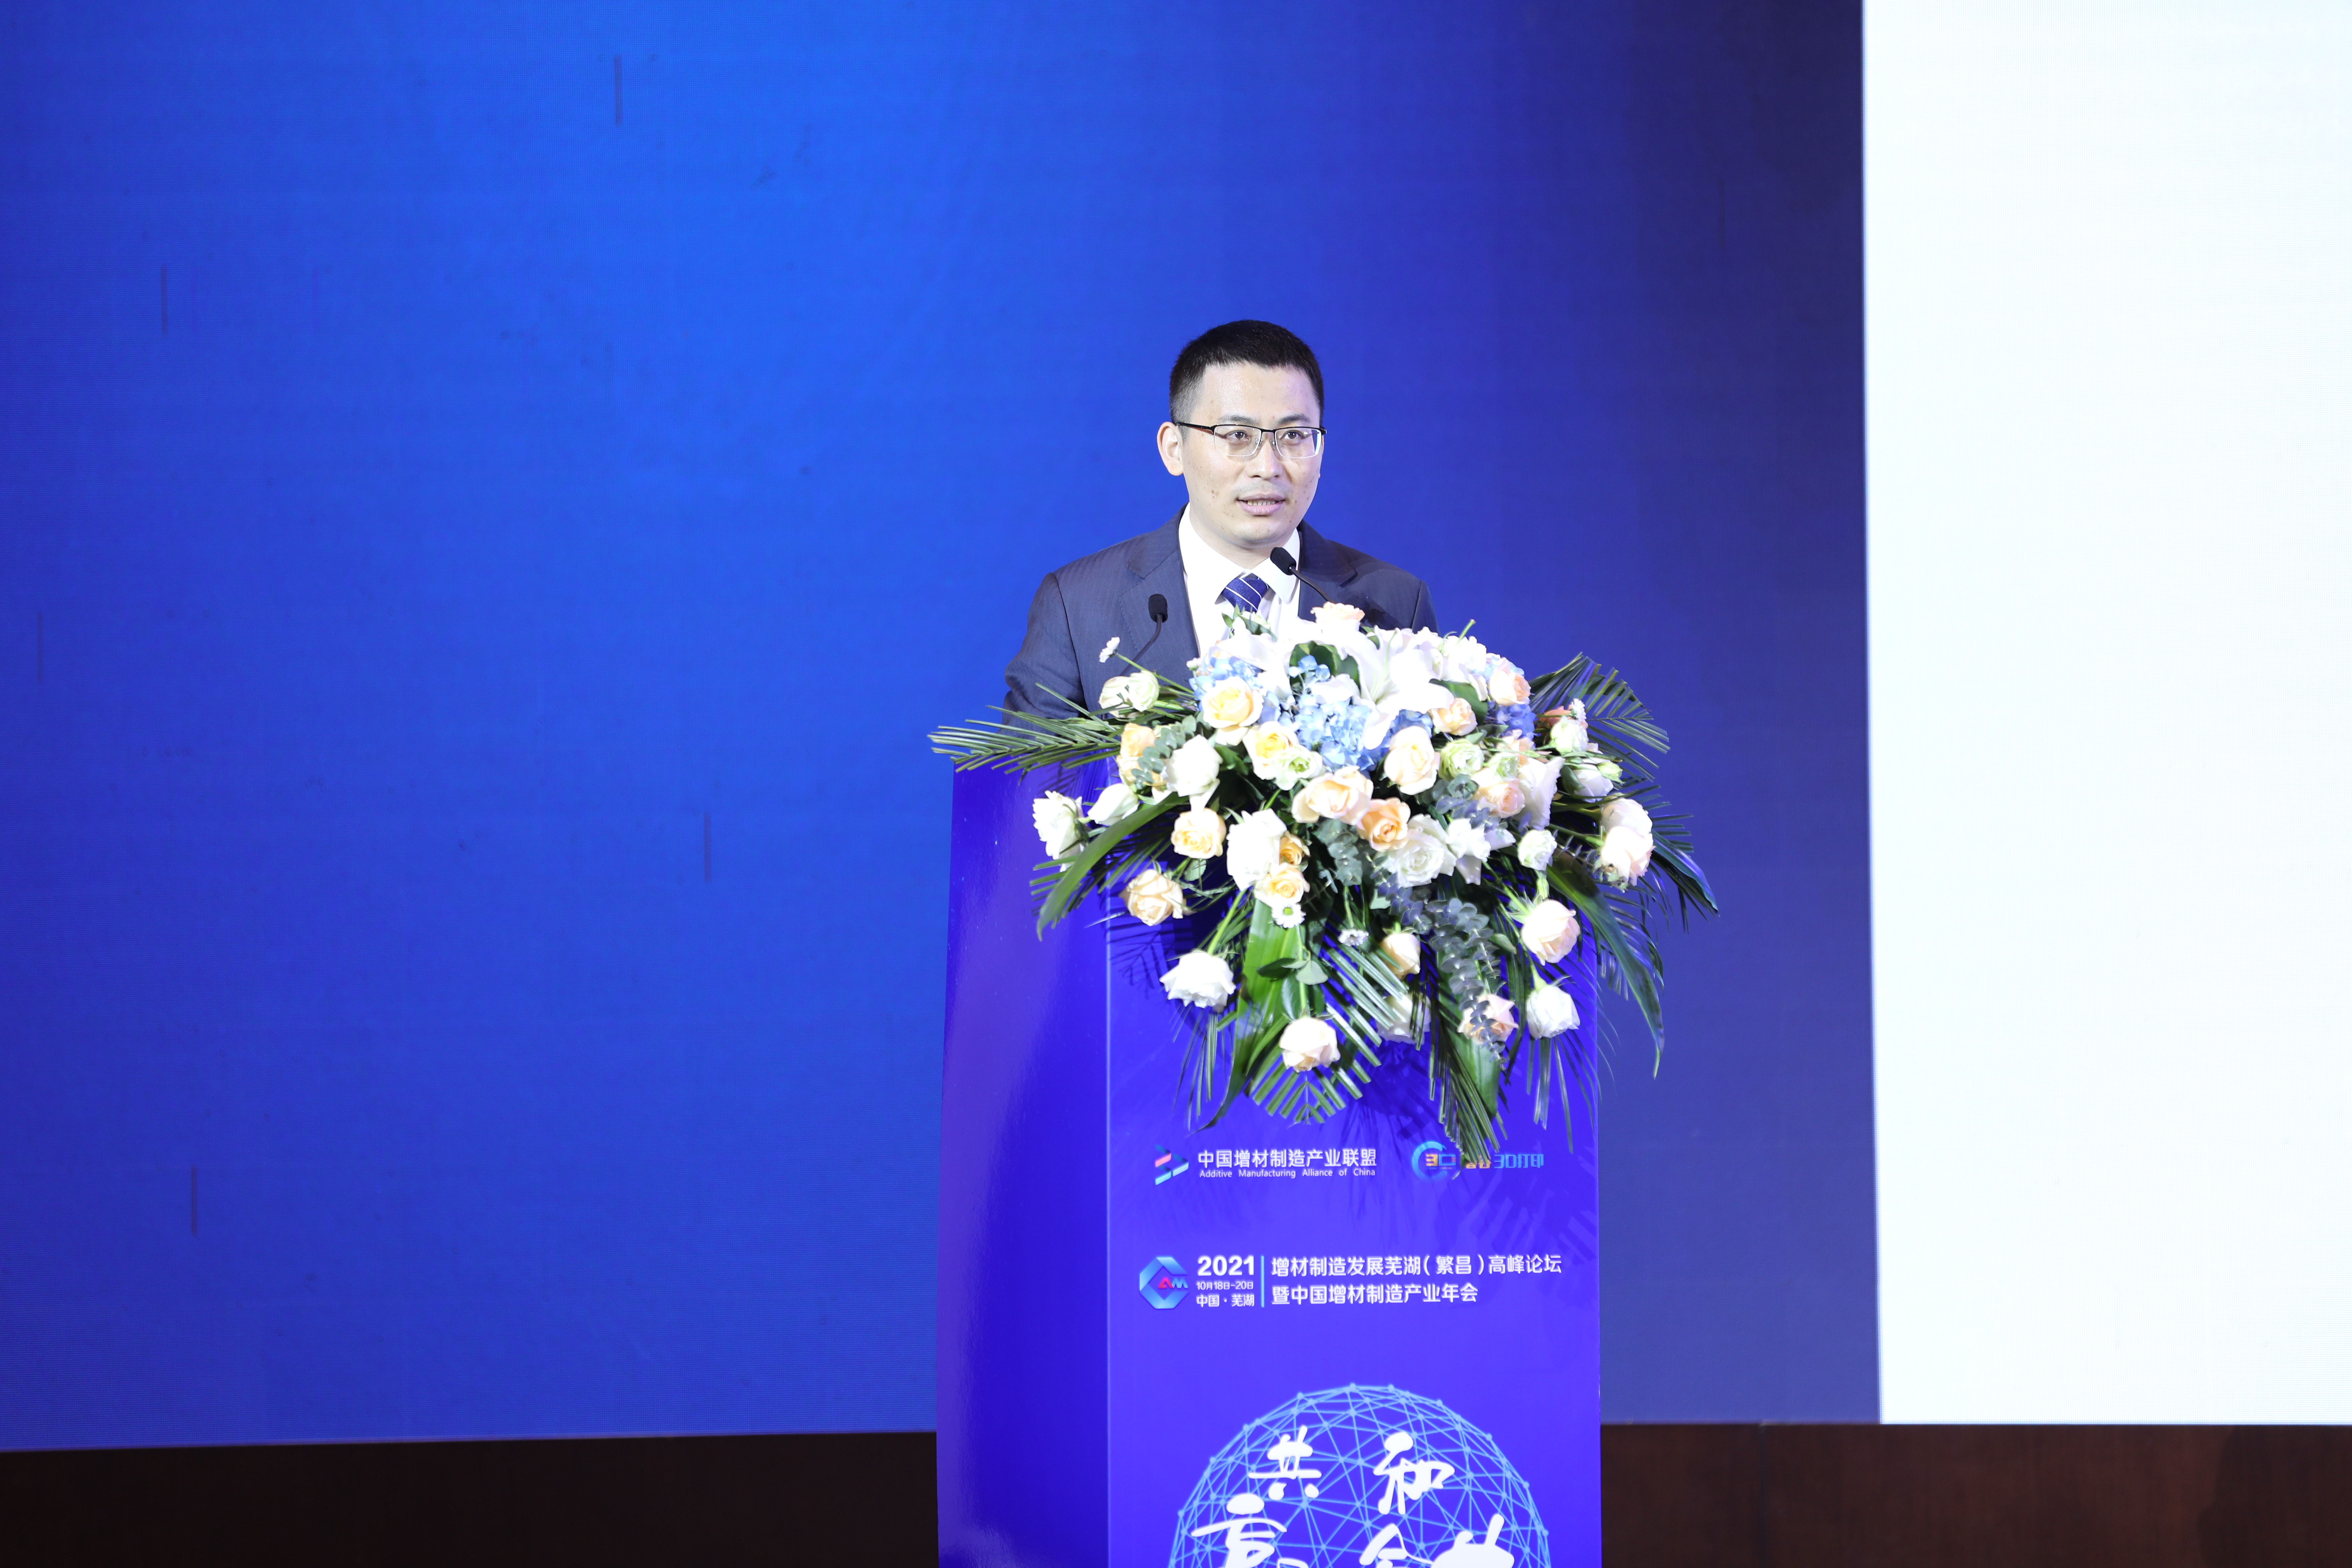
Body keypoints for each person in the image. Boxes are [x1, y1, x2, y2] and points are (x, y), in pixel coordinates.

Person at [1001, 320, 1437, 716]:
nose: (1268, 467)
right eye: (1238, 436)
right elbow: (1029, 774)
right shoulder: (1078, 605)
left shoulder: (1395, 602)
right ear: (1174, 449)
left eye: (1294, 435)